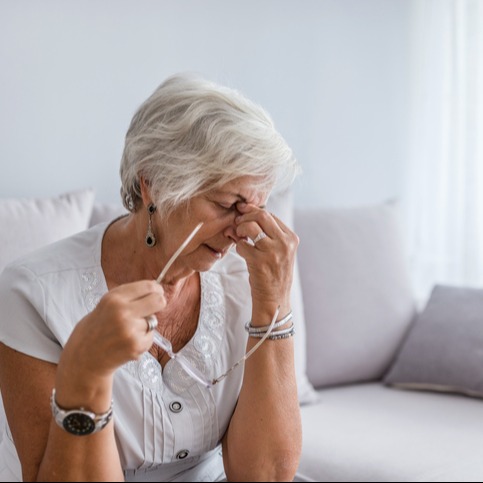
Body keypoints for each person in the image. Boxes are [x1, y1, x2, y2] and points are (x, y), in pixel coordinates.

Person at [0, 73, 302, 482]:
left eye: (255, 210)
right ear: (153, 184)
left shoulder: (247, 277)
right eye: (229, 204)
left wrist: (274, 306)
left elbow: (264, 476)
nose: (243, 231)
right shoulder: (34, 295)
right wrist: (86, 374)